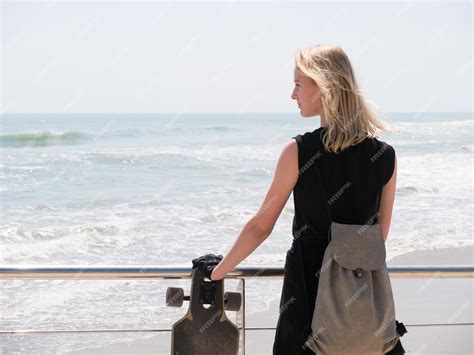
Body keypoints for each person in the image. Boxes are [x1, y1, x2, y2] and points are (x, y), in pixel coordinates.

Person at [192, 43, 406, 354]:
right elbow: (379, 238)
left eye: (297, 84)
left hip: (306, 298)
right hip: (361, 305)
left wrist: (217, 272)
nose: (293, 95)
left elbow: (261, 226)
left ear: (324, 87)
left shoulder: (298, 151)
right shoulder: (385, 156)